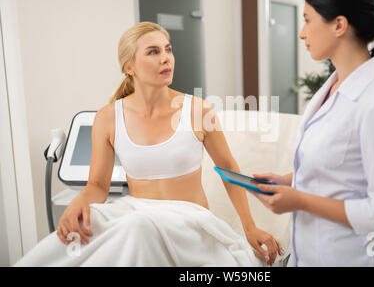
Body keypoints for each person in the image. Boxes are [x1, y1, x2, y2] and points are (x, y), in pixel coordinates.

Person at [15, 21, 281, 266]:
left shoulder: (198, 111)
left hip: (188, 223)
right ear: (129, 67)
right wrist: (76, 207)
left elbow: (228, 168)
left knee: (138, 228)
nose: (166, 58)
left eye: (168, 49)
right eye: (153, 52)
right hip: (135, 213)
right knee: (86, 226)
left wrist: (249, 227)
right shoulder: (108, 118)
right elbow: (97, 186)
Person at [249, 0, 374, 266]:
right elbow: (343, 169)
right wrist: (290, 180)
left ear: (339, 25)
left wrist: (300, 200)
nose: (301, 32)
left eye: (307, 20)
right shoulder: (331, 89)